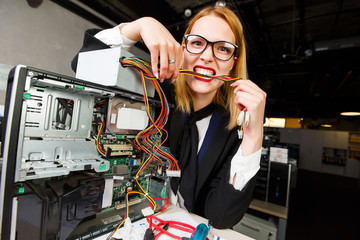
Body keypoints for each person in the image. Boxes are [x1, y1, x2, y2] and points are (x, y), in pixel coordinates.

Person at [72, 5, 266, 229]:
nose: (206, 56)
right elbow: (84, 62)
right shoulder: (152, 91)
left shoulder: (235, 130)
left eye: (222, 49)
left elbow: (222, 218)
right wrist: (139, 26)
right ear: (182, 50)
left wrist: (254, 135)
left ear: (233, 62)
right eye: (197, 43)